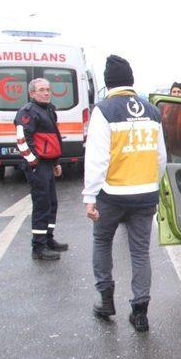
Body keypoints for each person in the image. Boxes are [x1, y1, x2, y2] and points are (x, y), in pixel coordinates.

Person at [82, 55, 166, 332]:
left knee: (102, 241)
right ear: (131, 80)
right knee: (140, 252)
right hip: (144, 196)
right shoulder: (152, 112)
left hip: (112, 194)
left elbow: (96, 157)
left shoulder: (104, 110)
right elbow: (160, 158)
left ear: (108, 83)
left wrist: (90, 197)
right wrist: (154, 184)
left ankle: (106, 301)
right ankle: (140, 312)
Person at [14, 78, 69, 260]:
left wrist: (55, 163)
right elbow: (23, 141)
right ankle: (38, 247)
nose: (46, 93)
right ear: (32, 93)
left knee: (52, 203)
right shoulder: (27, 112)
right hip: (38, 166)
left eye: (48, 89)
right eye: (42, 90)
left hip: (48, 164)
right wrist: (34, 164)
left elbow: (52, 141)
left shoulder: (48, 110)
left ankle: (48, 239)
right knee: (42, 205)